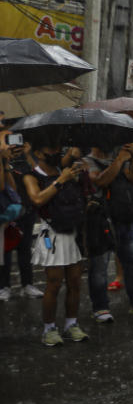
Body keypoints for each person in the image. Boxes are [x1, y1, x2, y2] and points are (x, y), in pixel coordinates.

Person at [22, 142, 90, 346]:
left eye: (56, 149)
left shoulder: (67, 171)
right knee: (54, 282)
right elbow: (37, 199)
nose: (55, 152)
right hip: (50, 233)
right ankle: (49, 328)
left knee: (75, 281)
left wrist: (79, 175)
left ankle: (71, 324)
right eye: (49, 149)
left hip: (72, 232)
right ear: (37, 153)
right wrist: (61, 180)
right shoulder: (31, 175)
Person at [84, 142, 133, 321]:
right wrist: (118, 161)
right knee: (99, 267)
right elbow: (101, 181)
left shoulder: (122, 158)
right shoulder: (86, 162)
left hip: (124, 217)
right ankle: (100, 307)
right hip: (100, 219)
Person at [0, 129, 42, 301]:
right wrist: (4, 160)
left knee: (25, 248)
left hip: (27, 208)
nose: (13, 144)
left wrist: (27, 154)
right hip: (7, 211)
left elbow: (40, 175)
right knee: (6, 251)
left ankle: (27, 284)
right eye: (6, 139)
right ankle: (4, 286)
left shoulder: (26, 158)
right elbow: (4, 186)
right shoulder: (2, 159)